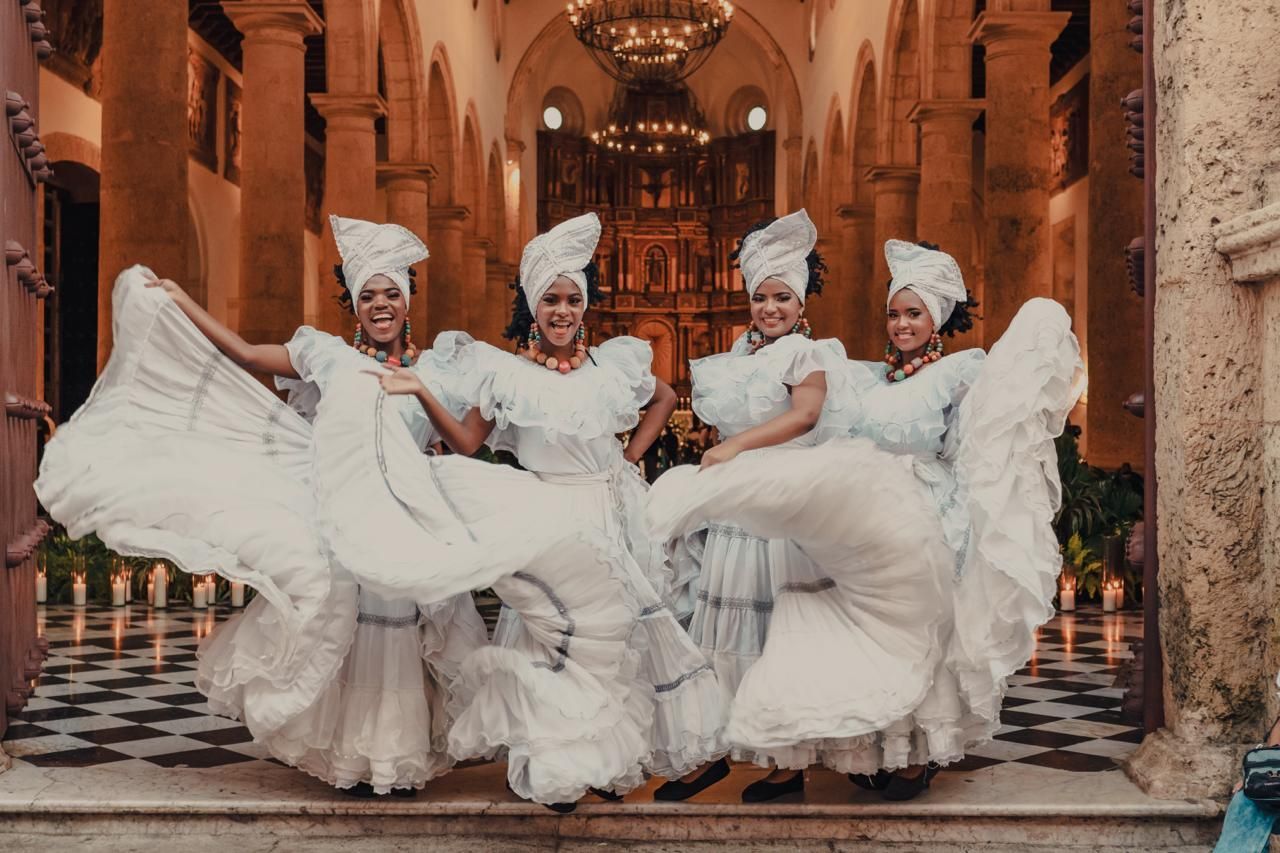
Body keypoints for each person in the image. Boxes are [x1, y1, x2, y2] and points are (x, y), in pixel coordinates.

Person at [34, 216, 632, 803]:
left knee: (408, 641)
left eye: (391, 293)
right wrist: (183, 301)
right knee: (360, 639)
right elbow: (244, 353)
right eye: (368, 294)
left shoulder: (438, 372)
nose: (380, 305)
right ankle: (361, 760)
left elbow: (462, 439)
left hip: (410, 524)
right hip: (348, 524)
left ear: (408, 299)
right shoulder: (328, 357)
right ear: (353, 303)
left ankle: (402, 758)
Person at [369, 212, 723, 808]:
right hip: (546, 518)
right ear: (533, 307)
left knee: (614, 642)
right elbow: (466, 442)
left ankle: (611, 760)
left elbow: (662, 396)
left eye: (572, 299)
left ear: (585, 305)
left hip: (604, 513)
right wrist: (424, 393)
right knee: (553, 640)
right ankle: (559, 760)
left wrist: (630, 456)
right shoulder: (505, 373)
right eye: (551, 300)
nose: (563, 311)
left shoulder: (611, 364)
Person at [645, 211, 953, 803]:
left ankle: (785, 766)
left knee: (771, 631)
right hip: (736, 508)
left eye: (782, 297)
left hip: (781, 510)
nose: (770, 308)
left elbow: (804, 416)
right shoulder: (736, 355)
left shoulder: (808, 354)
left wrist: (733, 446)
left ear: (800, 299)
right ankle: (710, 748)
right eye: (761, 297)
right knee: (720, 628)